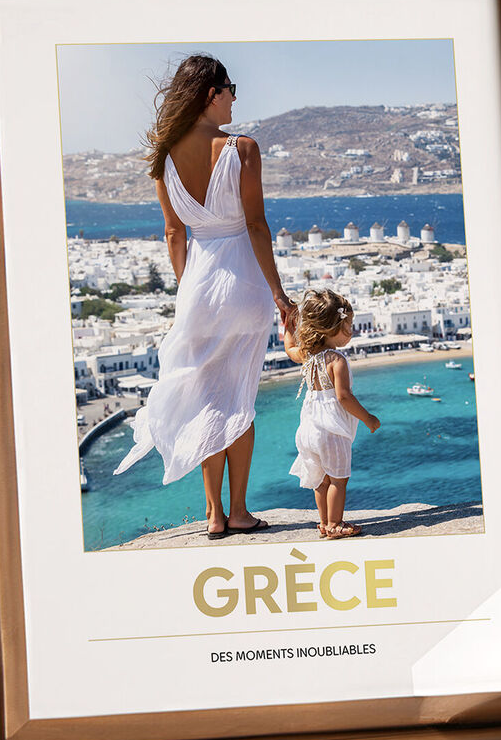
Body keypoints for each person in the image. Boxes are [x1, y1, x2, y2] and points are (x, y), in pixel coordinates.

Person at [113, 54, 296, 540]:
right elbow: (256, 226)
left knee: (205, 399)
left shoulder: (164, 156)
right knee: (239, 399)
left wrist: (187, 291)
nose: (235, 96)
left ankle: (213, 514)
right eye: (230, 87)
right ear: (210, 93)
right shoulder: (243, 149)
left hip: (196, 288)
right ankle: (239, 510)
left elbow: (174, 234)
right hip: (244, 285)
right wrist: (280, 293)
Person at [282, 289, 381, 539]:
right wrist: (367, 417)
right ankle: (336, 524)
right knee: (338, 479)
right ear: (332, 328)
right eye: (348, 326)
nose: (352, 331)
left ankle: (324, 522)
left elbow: (290, 347)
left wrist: (288, 322)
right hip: (331, 430)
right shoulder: (336, 360)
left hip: (308, 429)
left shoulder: (307, 355)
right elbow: (343, 397)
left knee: (321, 480)